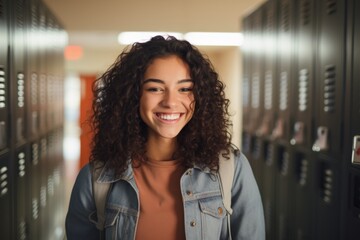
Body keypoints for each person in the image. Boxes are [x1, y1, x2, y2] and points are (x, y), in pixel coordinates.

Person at [65, 35, 265, 240]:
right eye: (155, 88)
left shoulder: (231, 168)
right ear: (133, 95)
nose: (171, 102)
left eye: (185, 89)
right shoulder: (96, 179)